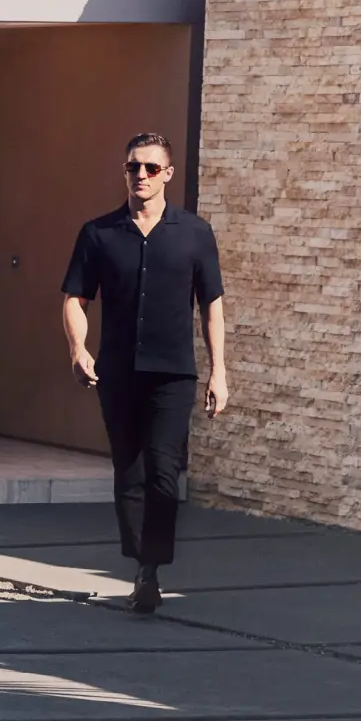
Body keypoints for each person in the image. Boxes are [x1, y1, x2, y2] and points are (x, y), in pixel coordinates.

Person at [60, 131, 229, 614]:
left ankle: (151, 567)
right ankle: (142, 565)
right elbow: (75, 298)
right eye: (134, 167)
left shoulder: (195, 234)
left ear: (168, 175)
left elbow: (212, 307)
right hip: (118, 372)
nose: (141, 176)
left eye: (152, 168)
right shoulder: (99, 233)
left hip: (174, 374)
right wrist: (79, 349)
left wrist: (219, 373)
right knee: (128, 471)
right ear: (125, 171)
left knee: (163, 471)